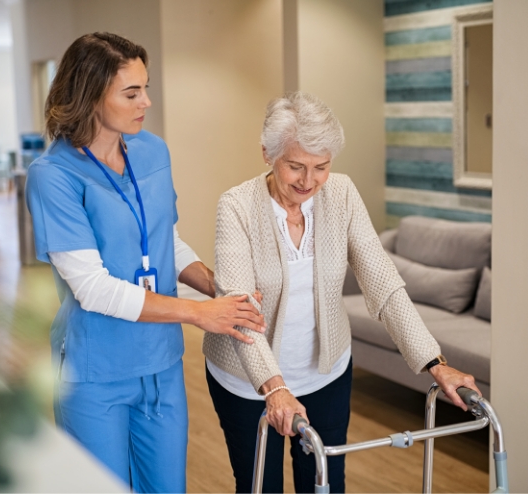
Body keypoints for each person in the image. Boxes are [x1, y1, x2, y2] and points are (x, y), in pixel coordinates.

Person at [202, 92, 481, 493]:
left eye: (322, 167)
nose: (308, 181)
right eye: (295, 166)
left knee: (326, 484)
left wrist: (435, 363)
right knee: (260, 486)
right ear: (267, 154)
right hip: (248, 380)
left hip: (325, 372)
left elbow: (383, 282)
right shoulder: (237, 206)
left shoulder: (343, 194)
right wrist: (275, 388)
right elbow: (241, 310)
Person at [25, 32, 265, 493]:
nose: (146, 102)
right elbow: (92, 287)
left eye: (146, 88)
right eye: (132, 92)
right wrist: (200, 313)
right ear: (90, 95)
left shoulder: (153, 150)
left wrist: (218, 288)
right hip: (95, 372)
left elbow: (164, 241)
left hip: (160, 364)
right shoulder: (52, 177)